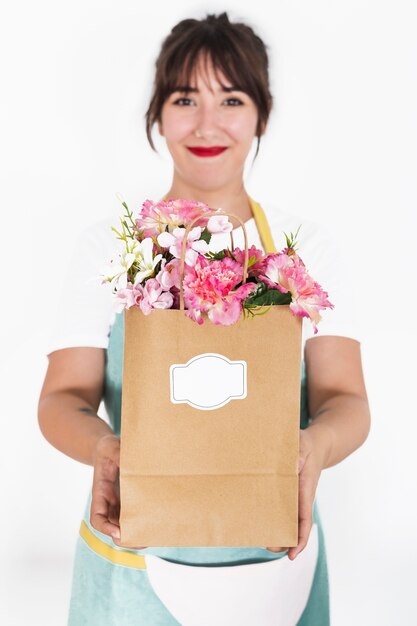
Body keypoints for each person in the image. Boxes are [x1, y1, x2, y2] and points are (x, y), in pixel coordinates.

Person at [38, 12, 371, 626]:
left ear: (261, 117)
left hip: (276, 558)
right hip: (134, 555)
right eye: (185, 97)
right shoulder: (109, 251)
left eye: (232, 98)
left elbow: (346, 399)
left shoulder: (305, 249)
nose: (207, 123)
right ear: (157, 116)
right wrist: (105, 451)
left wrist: (314, 446)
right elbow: (62, 398)